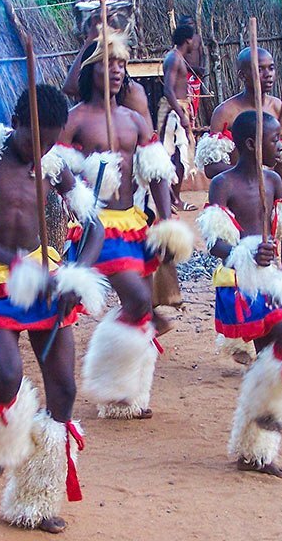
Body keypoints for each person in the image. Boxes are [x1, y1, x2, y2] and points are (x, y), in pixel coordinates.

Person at [0, 84, 106, 533]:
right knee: (9, 376)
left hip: (45, 283)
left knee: (65, 392)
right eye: (36, 139)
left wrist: (77, 276)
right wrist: (9, 260)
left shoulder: (53, 166)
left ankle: (37, 498)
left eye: (52, 140)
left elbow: (95, 226)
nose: (43, 149)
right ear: (16, 123)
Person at [53, 29, 193, 420]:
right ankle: (111, 382)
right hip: (98, 226)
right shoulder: (76, 119)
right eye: (107, 63)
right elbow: (56, 167)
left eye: (120, 64)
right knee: (137, 303)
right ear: (90, 70)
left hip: (134, 222)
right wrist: (81, 192)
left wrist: (165, 220)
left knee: (140, 308)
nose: (116, 71)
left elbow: (157, 172)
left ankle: (125, 394)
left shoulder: (134, 119)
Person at [196, 111, 282, 477]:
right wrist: (246, 252)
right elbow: (215, 242)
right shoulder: (223, 184)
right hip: (241, 283)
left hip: (272, 281)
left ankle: (257, 450)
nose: (280, 144)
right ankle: (255, 451)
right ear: (251, 144)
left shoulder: (274, 180)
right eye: (273, 139)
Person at [196, 47, 282, 195]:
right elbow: (211, 168)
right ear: (242, 75)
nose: (268, 75)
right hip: (237, 193)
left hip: (268, 191)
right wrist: (250, 173)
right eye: (259, 69)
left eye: (271, 68)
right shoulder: (225, 112)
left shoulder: (277, 108)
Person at [62, 19, 152, 129]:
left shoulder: (131, 92)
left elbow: (147, 140)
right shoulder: (90, 84)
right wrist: (91, 40)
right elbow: (69, 88)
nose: (116, 69)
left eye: (120, 64)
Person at [161, 23, 197, 211]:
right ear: (188, 40)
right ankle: (174, 200)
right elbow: (168, 89)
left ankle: (174, 198)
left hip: (178, 109)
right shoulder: (174, 59)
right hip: (174, 112)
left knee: (177, 156)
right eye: (194, 38)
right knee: (176, 156)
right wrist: (181, 115)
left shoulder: (177, 57)